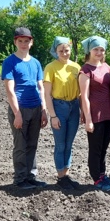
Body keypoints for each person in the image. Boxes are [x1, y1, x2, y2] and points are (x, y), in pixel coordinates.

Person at [1, 27, 48, 190]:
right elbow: (10, 90)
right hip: (20, 108)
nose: (23, 44)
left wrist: (43, 110)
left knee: (32, 144)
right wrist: (17, 114)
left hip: (36, 108)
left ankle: (31, 176)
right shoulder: (10, 62)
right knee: (20, 145)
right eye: (20, 41)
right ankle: (20, 179)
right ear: (15, 42)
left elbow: (41, 88)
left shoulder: (36, 63)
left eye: (26, 41)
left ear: (31, 42)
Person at [79, 35, 110, 191]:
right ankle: (96, 179)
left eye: (102, 50)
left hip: (108, 114)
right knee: (95, 148)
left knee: (103, 147)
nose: (99, 52)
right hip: (95, 115)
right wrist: (88, 119)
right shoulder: (85, 71)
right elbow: (85, 96)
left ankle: (103, 175)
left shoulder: (107, 67)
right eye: (96, 49)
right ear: (89, 50)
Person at [43, 36, 81, 190]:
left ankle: (66, 175)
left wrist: (83, 111)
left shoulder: (76, 67)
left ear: (70, 50)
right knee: (61, 144)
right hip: (59, 107)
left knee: (69, 144)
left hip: (74, 107)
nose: (64, 53)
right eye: (61, 51)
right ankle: (60, 177)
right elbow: (47, 94)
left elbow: (80, 92)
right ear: (56, 51)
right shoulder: (51, 67)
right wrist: (53, 116)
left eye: (66, 50)